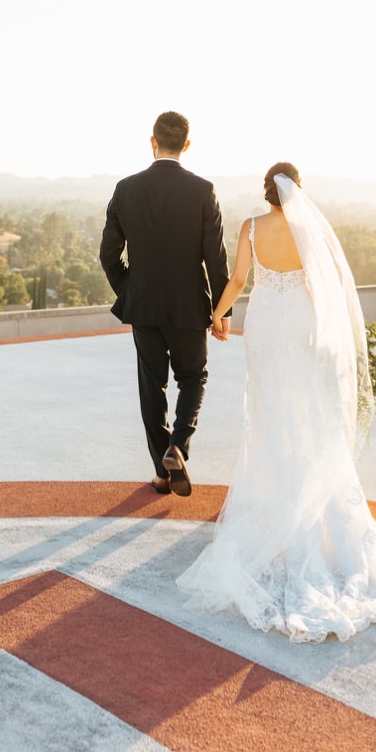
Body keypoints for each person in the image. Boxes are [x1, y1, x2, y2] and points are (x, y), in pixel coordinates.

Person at [176, 163, 376, 642]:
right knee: (307, 412)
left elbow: (239, 280)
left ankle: (273, 501)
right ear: (296, 191)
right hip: (302, 324)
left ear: (266, 193)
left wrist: (216, 316)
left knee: (268, 413)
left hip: (265, 324)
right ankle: (312, 503)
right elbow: (327, 292)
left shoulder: (250, 227)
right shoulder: (310, 230)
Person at [100, 111, 230, 496]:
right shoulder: (203, 190)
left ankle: (161, 471)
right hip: (190, 306)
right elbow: (216, 258)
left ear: (152, 141)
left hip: (143, 306)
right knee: (194, 378)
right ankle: (179, 445)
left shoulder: (125, 189)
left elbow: (109, 254)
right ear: (186, 145)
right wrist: (222, 313)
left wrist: (129, 289)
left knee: (151, 387)